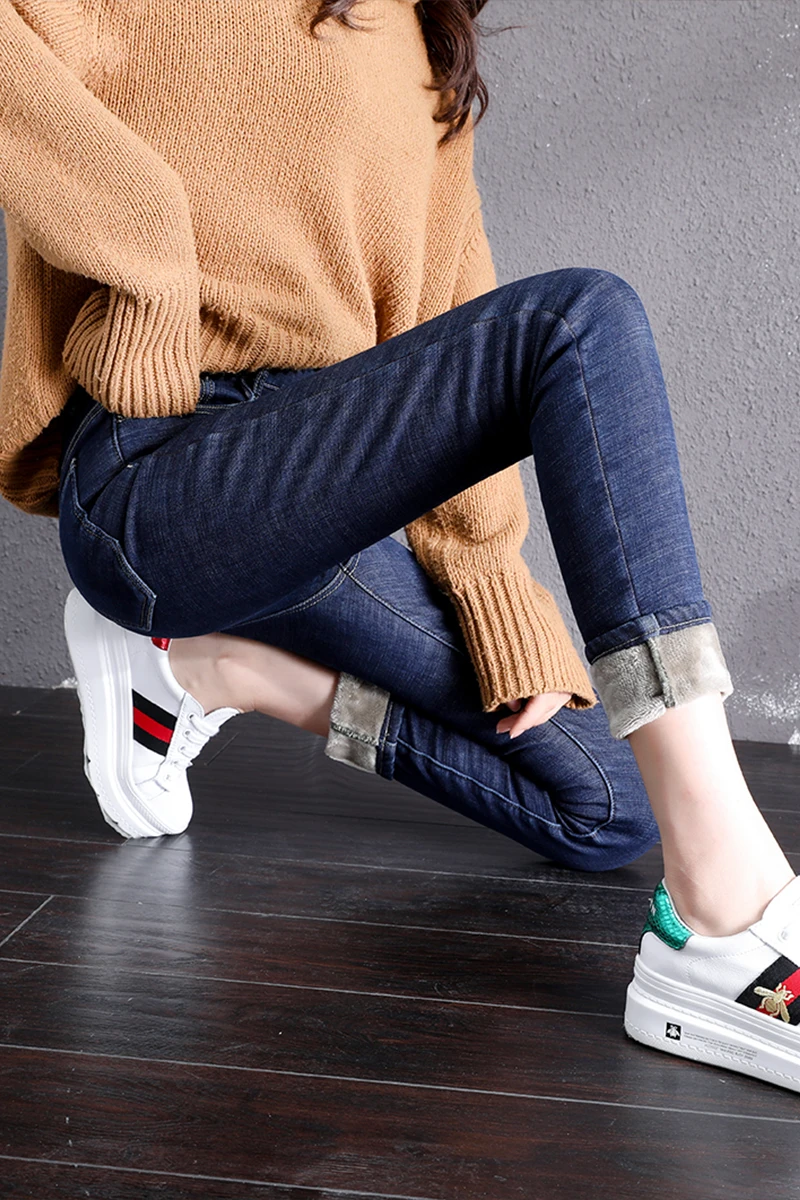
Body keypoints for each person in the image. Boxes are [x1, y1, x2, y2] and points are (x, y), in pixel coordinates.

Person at [0, 0, 797, 1094]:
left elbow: (442, 303)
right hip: (165, 472)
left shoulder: (417, 29)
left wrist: (492, 587)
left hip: (330, 485)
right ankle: (731, 914)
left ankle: (220, 671)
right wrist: (144, 270)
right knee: (580, 317)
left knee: (607, 809)